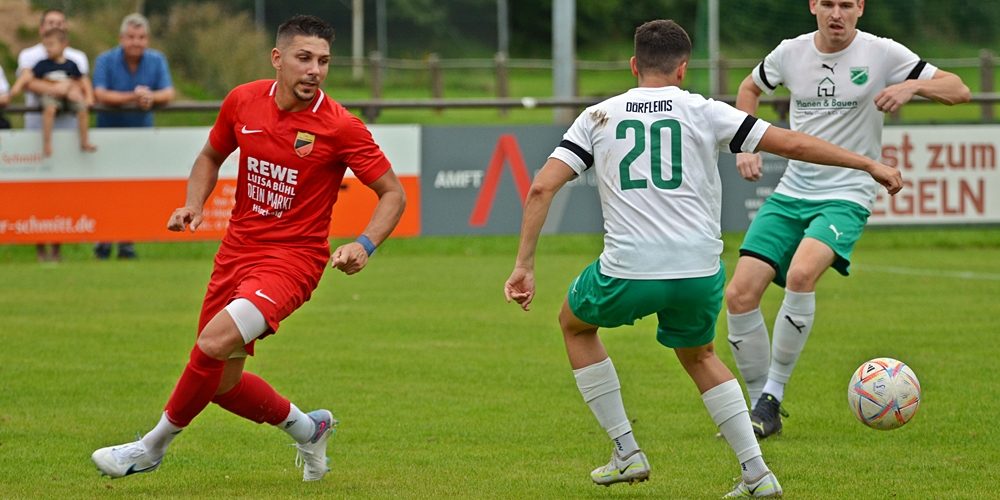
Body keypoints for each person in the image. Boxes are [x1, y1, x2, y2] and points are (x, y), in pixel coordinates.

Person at [503, 19, 902, 497]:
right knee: (701, 356)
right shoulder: (704, 110)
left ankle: (626, 451)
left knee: (574, 324)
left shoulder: (598, 116)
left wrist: (524, 264)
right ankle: (757, 473)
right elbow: (791, 142)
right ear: (682, 69)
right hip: (699, 271)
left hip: (629, 269)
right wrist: (867, 163)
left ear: (634, 65)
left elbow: (542, 187)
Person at [91, 15, 406, 481]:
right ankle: (309, 428)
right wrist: (193, 203)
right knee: (220, 383)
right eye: (304, 58)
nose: (315, 70)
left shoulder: (340, 126)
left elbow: (393, 193)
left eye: (323, 61)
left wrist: (364, 244)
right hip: (236, 253)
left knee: (212, 342)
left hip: (292, 262)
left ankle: (149, 447)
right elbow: (210, 156)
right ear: (277, 59)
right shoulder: (243, 101)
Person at [724, 0, 970, 439]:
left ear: (859, 8)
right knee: (740, 294)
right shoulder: (790, 52)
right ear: (813, 6)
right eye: (828, 4)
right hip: (791, 191)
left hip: (847, 193)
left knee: (801, 273)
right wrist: (746, 145)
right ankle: (759, 404)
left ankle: (772, 395)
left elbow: (959, 90)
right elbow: (749, 88)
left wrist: (913, 87)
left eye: (846, 4)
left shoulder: (883, 53)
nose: (836, 13)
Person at [91, 13, 177, 260]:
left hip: (140, 137)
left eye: (140, 37)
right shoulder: (106, 60)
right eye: (130, 37)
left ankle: (127, 241)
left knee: (133, 192)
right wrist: (133, 96)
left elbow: (167, 92)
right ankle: (103, 241)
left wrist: (151, 98)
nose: (135, 42)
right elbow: (100, 94)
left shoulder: (156, 59)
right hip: (109, 136)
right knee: (106, 192)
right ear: (121, 38)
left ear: (147, 39)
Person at [17, 8, 90, 263]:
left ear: (65, 29)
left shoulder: (77, 57)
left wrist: (74, 90)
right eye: (49, 22)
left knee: (63, 193)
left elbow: (82, 83)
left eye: (58, 23)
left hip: (68, 132)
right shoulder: (29, 55)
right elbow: (29, 83)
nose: (53, 26)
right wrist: (62, 88)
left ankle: (58, 249)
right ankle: (39, 249)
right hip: (37, 131)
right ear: (41, 27)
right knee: (38, 193)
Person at [10, 27, 97, 157]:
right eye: (45, 46)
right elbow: (28, 77)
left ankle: (84, 141)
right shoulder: (42, 64)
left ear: (64, 45)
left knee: (82, 109)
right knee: (49, 109)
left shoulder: (72, 64)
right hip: (50, 96)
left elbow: (83, 80)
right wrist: (15, 89)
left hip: (70, 97)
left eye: (51, 45)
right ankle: (47, 142)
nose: (47, 49)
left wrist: (89, 97)